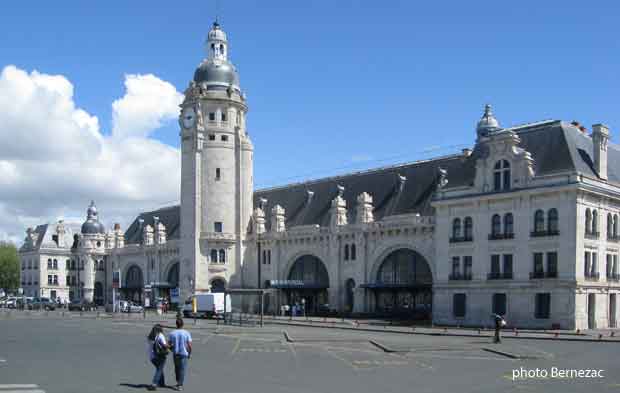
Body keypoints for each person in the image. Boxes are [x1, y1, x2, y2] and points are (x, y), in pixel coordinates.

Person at [168, 318, 192, 391]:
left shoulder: (172, 333)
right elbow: (189, 345)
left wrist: (171, 348)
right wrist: (189, 353)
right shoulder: (186, 333)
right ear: (183, 324)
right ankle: (180, 385)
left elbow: (169, 344)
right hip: (184, 353)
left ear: (176, 324)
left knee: (177, 368)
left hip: (176, 353)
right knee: (182, 369)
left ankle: (178, 380)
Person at [147, 324, 169, 391]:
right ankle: (154, 384)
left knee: (159, 369)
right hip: (159, 355)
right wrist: (170, 345)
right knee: (159, 370)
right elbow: (165, 345)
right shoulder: (160, 335)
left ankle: (162, 383)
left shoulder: (150, 337)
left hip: (152, 356)